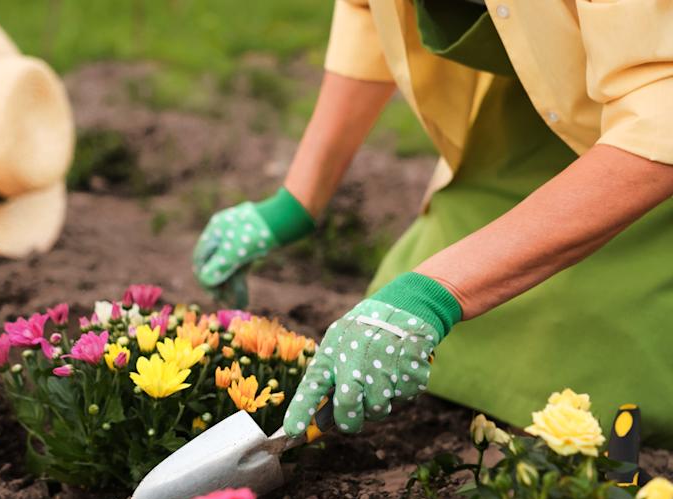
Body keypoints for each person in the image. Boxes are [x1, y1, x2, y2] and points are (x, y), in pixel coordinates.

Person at [193, 1, 673, 445]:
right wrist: (294, 203)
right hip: (539, 109)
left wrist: (435, 293)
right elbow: (367, 13)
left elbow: (661, 116)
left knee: (606, 385)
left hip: (650, 153)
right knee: (398, 335)